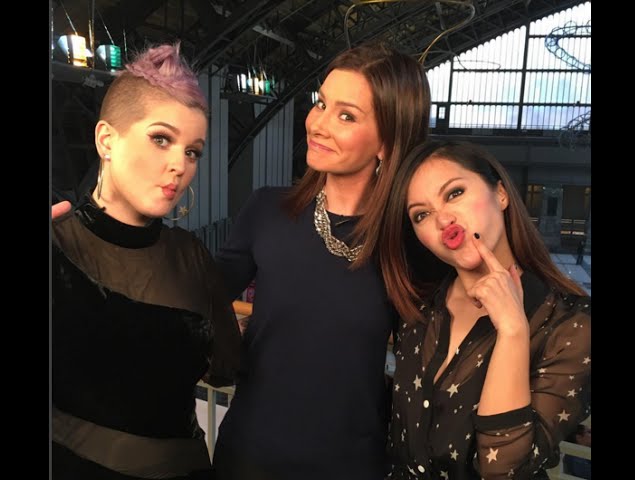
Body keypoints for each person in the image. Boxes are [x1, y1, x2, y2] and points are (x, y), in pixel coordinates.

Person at [210, 42, 445, 480]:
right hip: (249, 455)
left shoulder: (410, 243)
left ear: (387, 142)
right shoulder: (267, 210)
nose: (317, 124)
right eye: (321, 103)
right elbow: (196, 293)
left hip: (351, 463)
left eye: (346, 116)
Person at [52, 44, 243, 480]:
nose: (179, 165)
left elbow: (227, 367)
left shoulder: (192, 257)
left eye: (192, 151)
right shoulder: (57, 246)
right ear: (106, 140)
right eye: (161, 139)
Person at [379, 140, 591, 479]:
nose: (443, 219)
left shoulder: (572, 325)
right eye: (421, 214)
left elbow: (503, 469)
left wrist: (513, 331)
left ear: (501, 194)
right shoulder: (416, 308)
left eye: (454, 193)